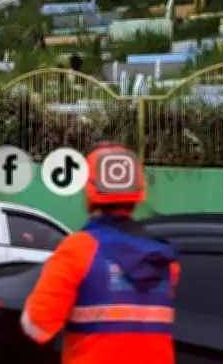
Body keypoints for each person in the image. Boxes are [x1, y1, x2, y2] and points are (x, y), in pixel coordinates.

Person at [20, 142, 180, 364]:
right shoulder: (165, 261)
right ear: (138, 195)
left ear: (89, 192)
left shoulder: (77, 250)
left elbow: (35, 326)